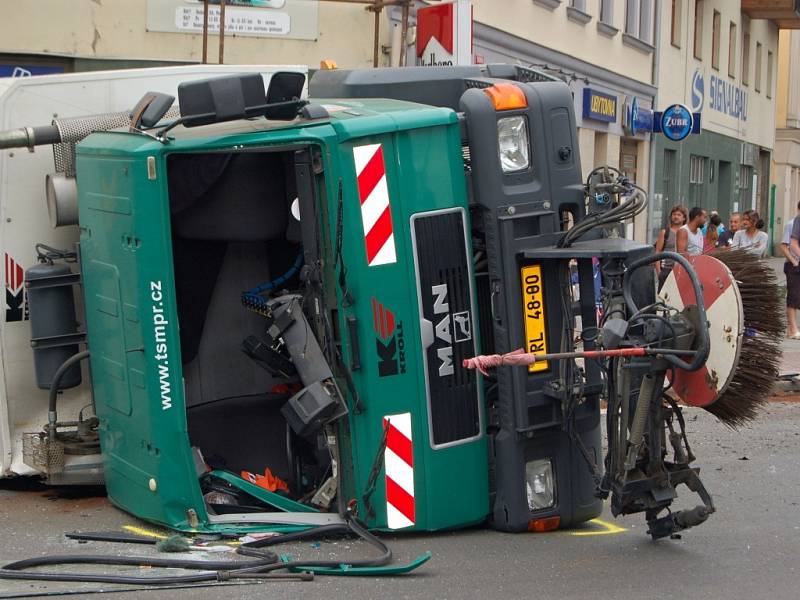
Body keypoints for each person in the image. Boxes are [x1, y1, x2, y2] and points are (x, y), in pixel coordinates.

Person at [654, 205, 687, 287]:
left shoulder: (686, 233)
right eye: (674, 214)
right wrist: (659, 274)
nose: (676, 217)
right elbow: (657, 253)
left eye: (679, 215)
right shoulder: (665, 232)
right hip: (666, 271)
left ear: (684, 218)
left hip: (682, 271)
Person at [782, 201, 800, 339]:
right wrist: (793, 261)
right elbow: (784, 245)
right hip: (794, 264)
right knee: (793, 297)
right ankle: (792, 328)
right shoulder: (791, 224)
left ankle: (791, 328)